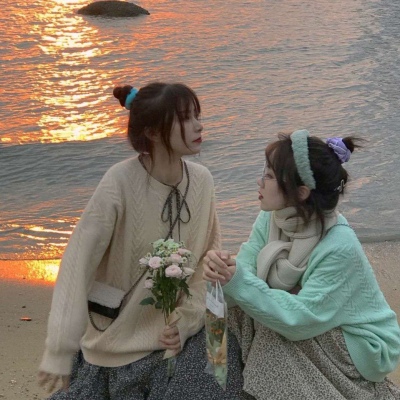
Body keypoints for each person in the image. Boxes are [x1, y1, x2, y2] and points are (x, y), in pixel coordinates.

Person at [38, 82, 249, 399]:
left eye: (198, 116)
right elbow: (77, 261)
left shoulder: (202, 181)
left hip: (175, 341)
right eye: (185, 118)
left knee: (221, 363)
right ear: (151, 132)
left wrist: (185, 323)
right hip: (116, 347)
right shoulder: (120, 181)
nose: (199, 125)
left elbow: (207, 265)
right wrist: (59, 349)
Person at [203, 129, 400, 399]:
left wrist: (239, 282)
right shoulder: (272, 217)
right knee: (233, 309)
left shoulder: (338, 244)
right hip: (308, 320)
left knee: (271, 329)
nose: (259, 181)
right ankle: (219, 386)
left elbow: (301, 320)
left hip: (362, 345)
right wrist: (223, 271)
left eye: (269, 176)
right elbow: (246, 270)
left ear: (301, 192)